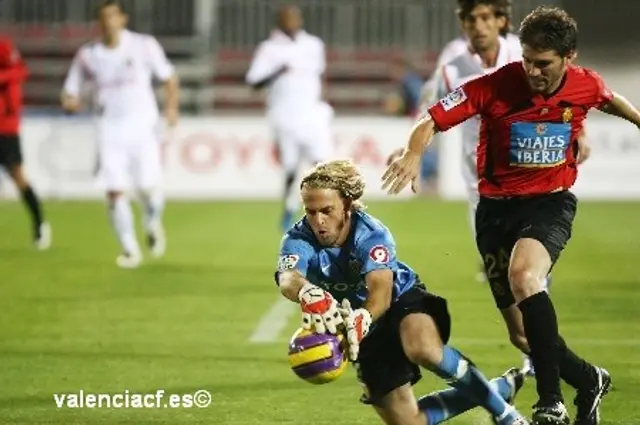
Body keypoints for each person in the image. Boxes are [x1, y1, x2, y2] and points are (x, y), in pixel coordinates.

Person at [382, 6, 640, 425]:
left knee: (525, 276)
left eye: (544, 64)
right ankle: (589, 379)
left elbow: (608, 98)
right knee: (522, 335)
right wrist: (414, 151)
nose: (533, 72)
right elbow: (431, 119)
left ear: (568, 58)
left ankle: (550, 399)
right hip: (495, 211)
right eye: (527, 61)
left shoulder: (584, 84)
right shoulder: (492, 86)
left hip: (549, 203)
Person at [275, 159, 530, 425]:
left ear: (347, 205)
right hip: (359, 327)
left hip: (400, 301)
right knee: (409, 422)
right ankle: (496, 390)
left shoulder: (372, 234)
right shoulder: (298, 238)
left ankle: (505, 415)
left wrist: (362, 319)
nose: (318, 221)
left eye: (327, 210)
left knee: (423, 348)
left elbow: (381, 294)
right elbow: (289, 278)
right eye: (310, 211)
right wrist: (307, 293)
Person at [61, 0, 179, 268]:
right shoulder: (87, 55)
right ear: (99, 23)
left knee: (148, 187)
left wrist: (171, 108)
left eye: (113, 17)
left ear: (122, 19)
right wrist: (70, 102)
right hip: (109, 129)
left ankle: (151, 221)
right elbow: (71, 90)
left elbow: (169, 77)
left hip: (143, 127)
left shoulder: (143, 45)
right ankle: (129, 249)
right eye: (103, 18)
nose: (108, 23)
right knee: (114, 190)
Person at [246, 4, 334, 232]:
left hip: (313, 115)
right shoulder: (269, 49)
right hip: (284, 117)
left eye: (296, 17)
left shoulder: (314, 45)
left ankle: (324, 210)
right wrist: (277, 71)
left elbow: (320, 76)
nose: (293, 22)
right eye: (288, 18)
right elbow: (253, 82)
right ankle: (288, 207)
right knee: (291, 169)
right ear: (279, 21)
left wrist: (324, 103)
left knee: (321, 165)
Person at [0, 36, 51, 249]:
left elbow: (21, 71)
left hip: (5, 126)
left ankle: (40, 223)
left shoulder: (3, 46)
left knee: (18, 176)